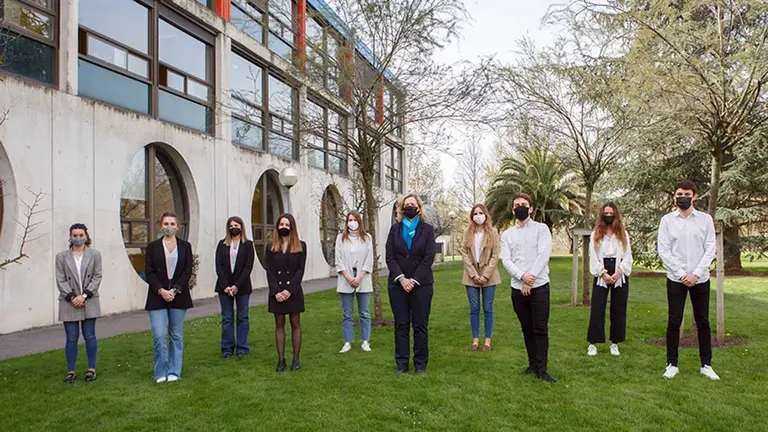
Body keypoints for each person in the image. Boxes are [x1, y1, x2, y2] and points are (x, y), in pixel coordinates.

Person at [657, 180, 719, 380]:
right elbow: (664, 250)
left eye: (686, 194)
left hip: (700, 279)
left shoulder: (705, 220)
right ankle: (672, 364)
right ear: (674, 196)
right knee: (674, 321)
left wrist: (696, 273)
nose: (682, 197)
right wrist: (682, 273)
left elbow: (710, 248)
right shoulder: (667, 220)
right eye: (679, 194)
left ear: (695, 196)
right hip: (676, 278)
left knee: (703, 322)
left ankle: (706, 364)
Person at [500, 193, 556, 383]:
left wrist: (530, 278)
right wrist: (521, 277)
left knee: (540, 328)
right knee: (527, 328)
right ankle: (532, 365)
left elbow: (544, 254)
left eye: (524, 204)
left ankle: (542, 368)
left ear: (531, 208)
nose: (520, 207)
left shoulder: (541, 229)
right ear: (513, 209)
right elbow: (506, 260)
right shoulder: (507, 235)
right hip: (517, 288)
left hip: (539, 286)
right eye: (517, 205)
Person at [385, 194, 436, 374]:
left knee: (420, 325)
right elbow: (390, 257)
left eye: (413, 204)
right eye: (407, 205)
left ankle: (420, 364)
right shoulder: (394, 229)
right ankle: (402, 364)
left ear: (419, 208)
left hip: (422, 285)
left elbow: (429, 257)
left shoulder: (428, 230)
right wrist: (402, 278)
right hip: (398, 285)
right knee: (401, 325)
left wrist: (414, 280)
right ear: (401, 208)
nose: (410, 207)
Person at [145, 212, 194, 383]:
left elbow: (188, 270)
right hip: (157, 296)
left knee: (176, 335)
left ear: (178, 227)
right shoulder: (152, 247)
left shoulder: (185, 246)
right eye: (165, 223)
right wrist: (161, 290)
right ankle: (160, 371)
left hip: (178, 296)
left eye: (172, 224)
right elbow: (149, 272)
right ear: (160, 226)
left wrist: (176, 289)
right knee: (159, 335)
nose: (169, 227)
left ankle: (174, 370)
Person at [55, 223, 102, 384]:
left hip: (89, 300)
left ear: (86, 236)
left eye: (81, 235)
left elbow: (97, 276)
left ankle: (91, 369)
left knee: (89, 336)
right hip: (69, 302)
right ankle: (71, 371)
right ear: (70, 237)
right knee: (71, 338)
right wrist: (72, 297)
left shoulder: (95, 255)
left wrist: (84, 295)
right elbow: (60, 279)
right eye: (74, 235)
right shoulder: (61, 257)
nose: (78, 238)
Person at [586, 202, 633, 357]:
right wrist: (602, 273)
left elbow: (628, 255)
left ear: (616, 215)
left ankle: (615, 343)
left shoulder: (623, 234)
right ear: (601, 215)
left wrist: (620, 272)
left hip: (619, 271)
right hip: (602, 272)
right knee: (597, 309)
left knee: (618, 309)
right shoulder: (596, 234)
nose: (608, 216)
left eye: (611, 213)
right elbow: (593, 256)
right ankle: (593, 343)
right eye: (605, 213)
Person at [264, 213, 306, 372]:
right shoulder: (270, 247)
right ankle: (281, 360)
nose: (283, 227)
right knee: (279, 325)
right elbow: (270, 271)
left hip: (293, 292)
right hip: (277, 293)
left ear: (292, 227)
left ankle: (296, 359)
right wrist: (276, 292)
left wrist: (289, 290)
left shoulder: (301, 246)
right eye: (281, 224)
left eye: (287, 225)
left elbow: (300, 270)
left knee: (295, 324)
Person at [458, 204, 501, 351]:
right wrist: (474, 275)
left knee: (488, 308)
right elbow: (464, 254)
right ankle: (475, 340)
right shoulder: (467, 233)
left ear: (486, 215)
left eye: (480, 213)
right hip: (471, 276)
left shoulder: (493, 232)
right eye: (475, 213)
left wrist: (486, 275)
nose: (478, 216)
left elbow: (495, 255)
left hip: (489, 275)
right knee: (474, 308)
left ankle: (487, 341)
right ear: (471, 217)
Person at [215, 216, 255, 358]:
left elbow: (248, 267)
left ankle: (242, 347)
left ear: (242, 227)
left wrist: (237, 286)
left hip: (242, 287)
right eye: (231, 225)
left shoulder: (248, 245)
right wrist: (226, 286)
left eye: (236, 225)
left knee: (242, 317)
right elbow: (218, 266)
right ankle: (227, 348)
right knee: (227, 317)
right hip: (224, 287)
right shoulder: (222, 244)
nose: (233, 227)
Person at [335, 211, 374, 353]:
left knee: (364, 312)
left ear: (359, 221)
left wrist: (360, 277)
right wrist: (349, 277)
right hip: (346, 278)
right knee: (347, 314)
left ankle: (365, 341)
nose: (352, 222)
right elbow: (338, 260)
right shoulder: (341, 238)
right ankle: (347, 341)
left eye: (354, 219)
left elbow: (369, 260)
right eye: (349, 220)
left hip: (363, 279)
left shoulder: (367, 238)